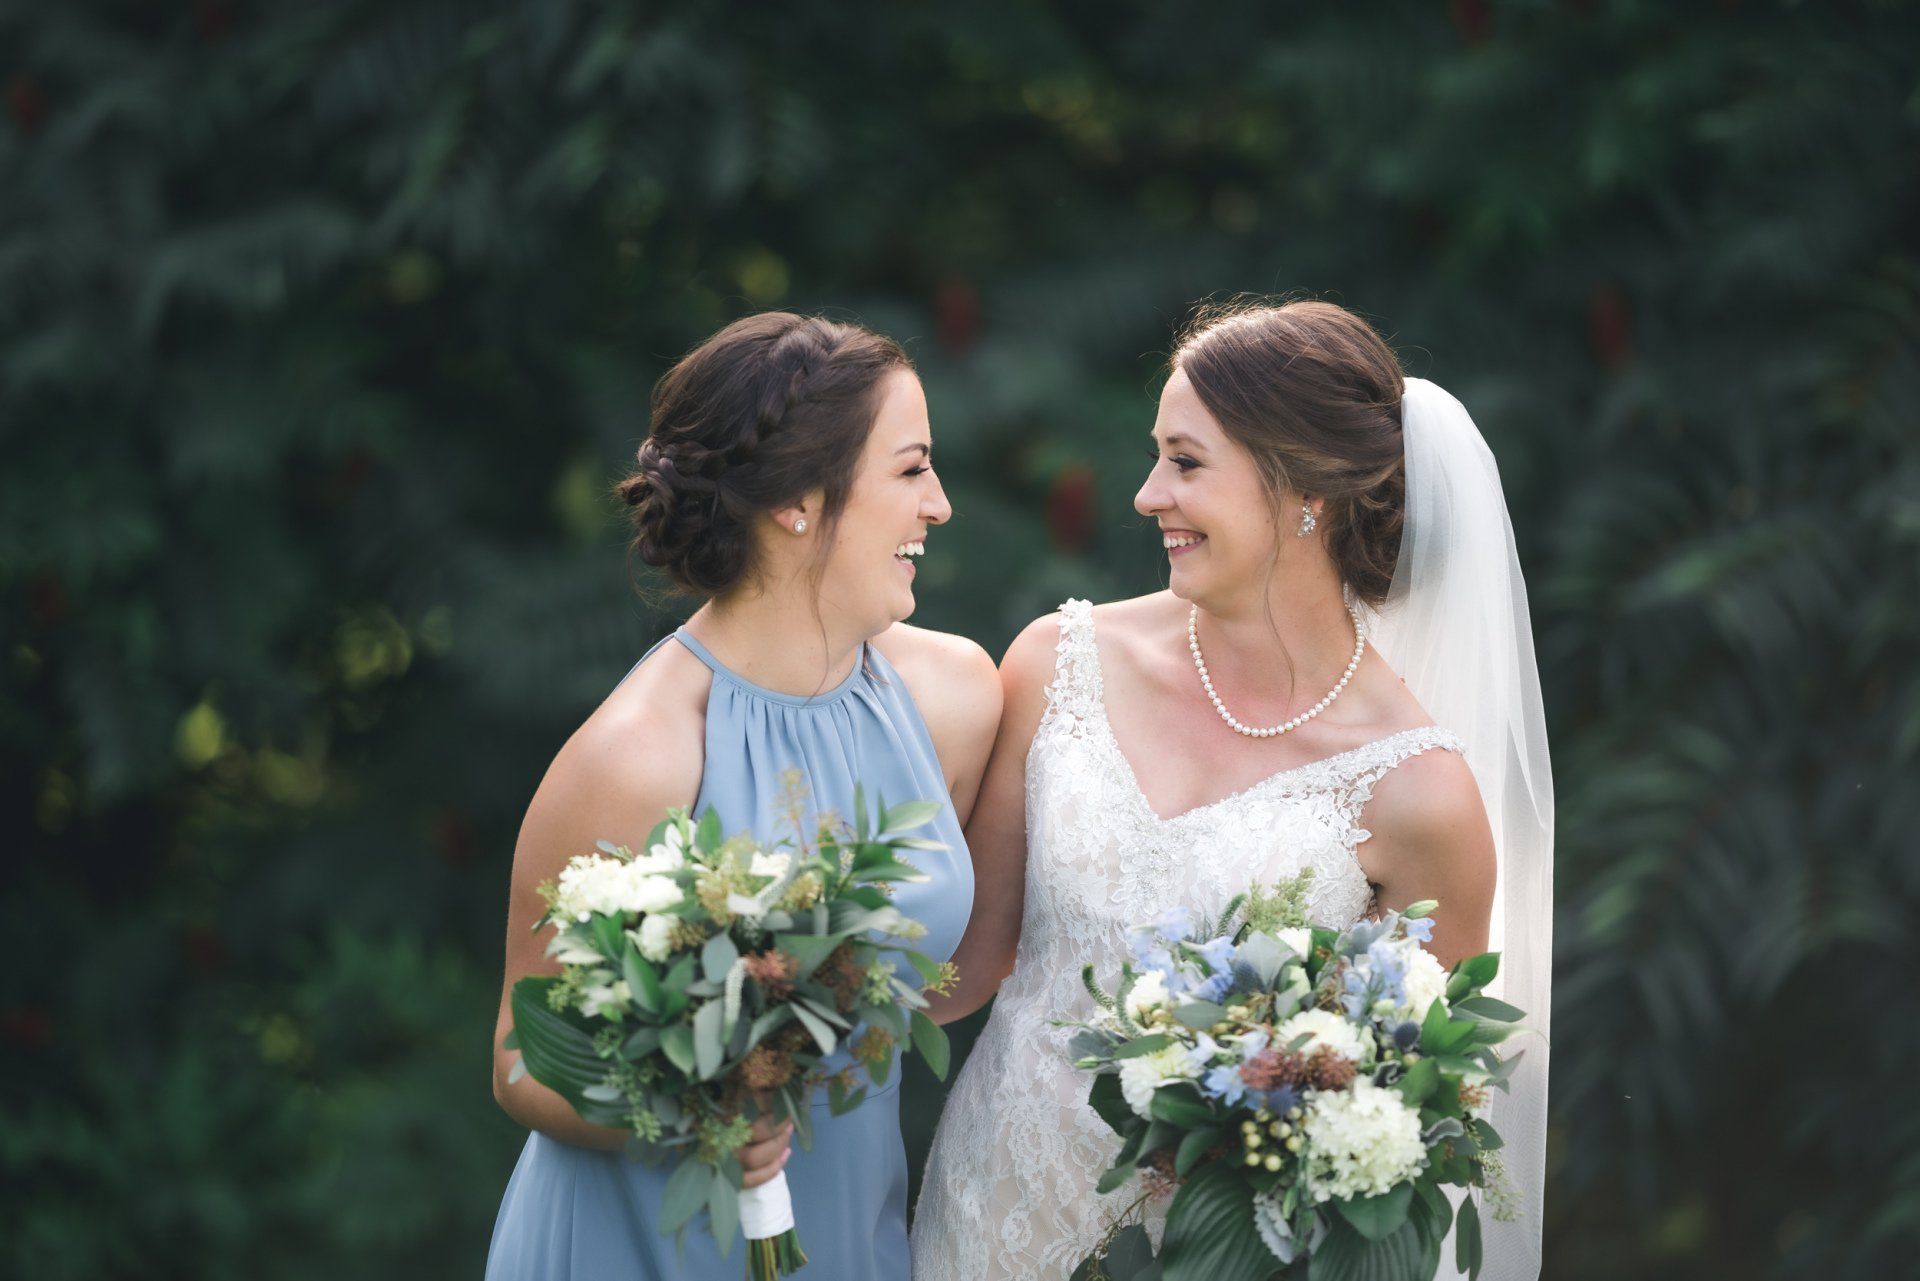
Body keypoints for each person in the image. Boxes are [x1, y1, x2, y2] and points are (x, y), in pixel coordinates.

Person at [911, 300, 1553, 1280]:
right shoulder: (1058, 663)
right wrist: (773, 1006)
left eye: (1186, 461)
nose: (1146, 494)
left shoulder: (1419, 796)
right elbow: (972, 956)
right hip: (991, 1216)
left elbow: (1417, 1120)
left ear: (1305, 490)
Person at [486, 312, 1001, 1279]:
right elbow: (522, 1058)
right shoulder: (634, 756)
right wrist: (693, 1105)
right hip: (640, 1241)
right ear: (802, 500)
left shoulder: (956, 697)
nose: (938, 503)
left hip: (851, 1228)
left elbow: (948, 964)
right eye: (910, 468)